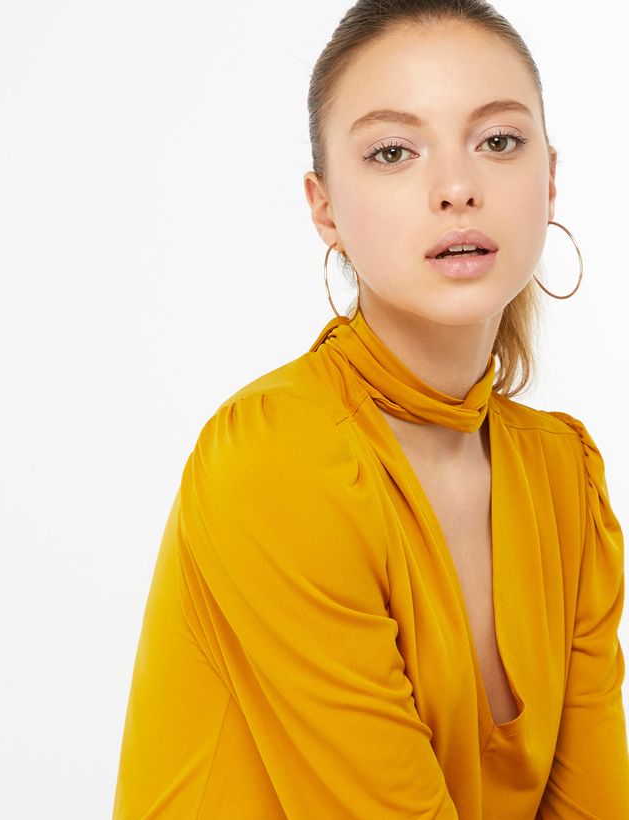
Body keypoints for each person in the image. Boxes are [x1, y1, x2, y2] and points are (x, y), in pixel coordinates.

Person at [112, 1, 629, 817]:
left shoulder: (566, 476)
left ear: (551, 178)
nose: (457, 189)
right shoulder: (277, 456)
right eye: (393, 152)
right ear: (325, 208)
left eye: (498, 141)